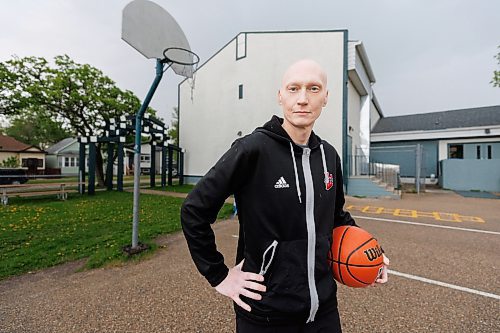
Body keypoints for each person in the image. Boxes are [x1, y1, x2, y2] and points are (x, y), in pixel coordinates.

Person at [181, 59, 389, 332]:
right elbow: (194, 210)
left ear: (326, 97)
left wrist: (372, 254)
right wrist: (219, 275)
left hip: (323, 311)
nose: (302, 99)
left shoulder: (329, 156)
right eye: (294, 89)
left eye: (313, 89)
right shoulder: (252, 150)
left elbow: (336, 218)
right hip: (265, 312)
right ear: (280, 96)